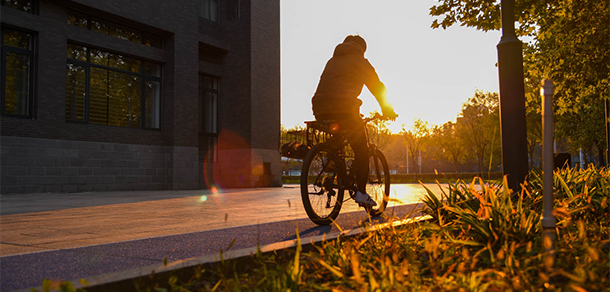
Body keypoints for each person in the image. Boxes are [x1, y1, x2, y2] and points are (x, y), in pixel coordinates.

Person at [311, 35, 397, 207]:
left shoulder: (332, 61)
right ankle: (361, 193)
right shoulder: (360, 61)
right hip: (345, 109)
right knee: (361, 150)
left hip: (320, 108)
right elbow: (377, 86)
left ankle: (331, 159)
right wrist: (388, 109)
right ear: (362, 49)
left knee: (337, 137)